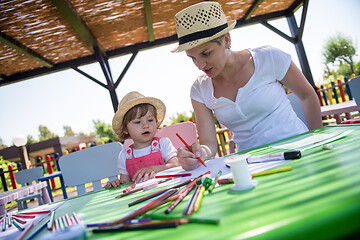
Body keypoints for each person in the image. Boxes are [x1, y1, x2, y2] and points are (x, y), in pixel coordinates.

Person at [171, 2, 322, 171]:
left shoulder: (269, 57)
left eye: (206, 53)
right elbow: (209, 145)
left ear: (226, 39)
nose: (199, 64)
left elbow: (307, 95)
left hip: (299, 151)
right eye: (192, 58)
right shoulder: (199, 90)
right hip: (252, 166)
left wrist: (317, 141)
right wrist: (198, 153)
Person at [104, 91, 179, 187]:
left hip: (167, 190)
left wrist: (153, 168)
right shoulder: (125, 156)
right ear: (125, 129)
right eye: (138, 122)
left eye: (150, 120)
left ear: (156, 122)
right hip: (140, 199)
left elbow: (175, 166)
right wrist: (117, 184)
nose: (145, 125)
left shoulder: (163, 144)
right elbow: (125, 184)